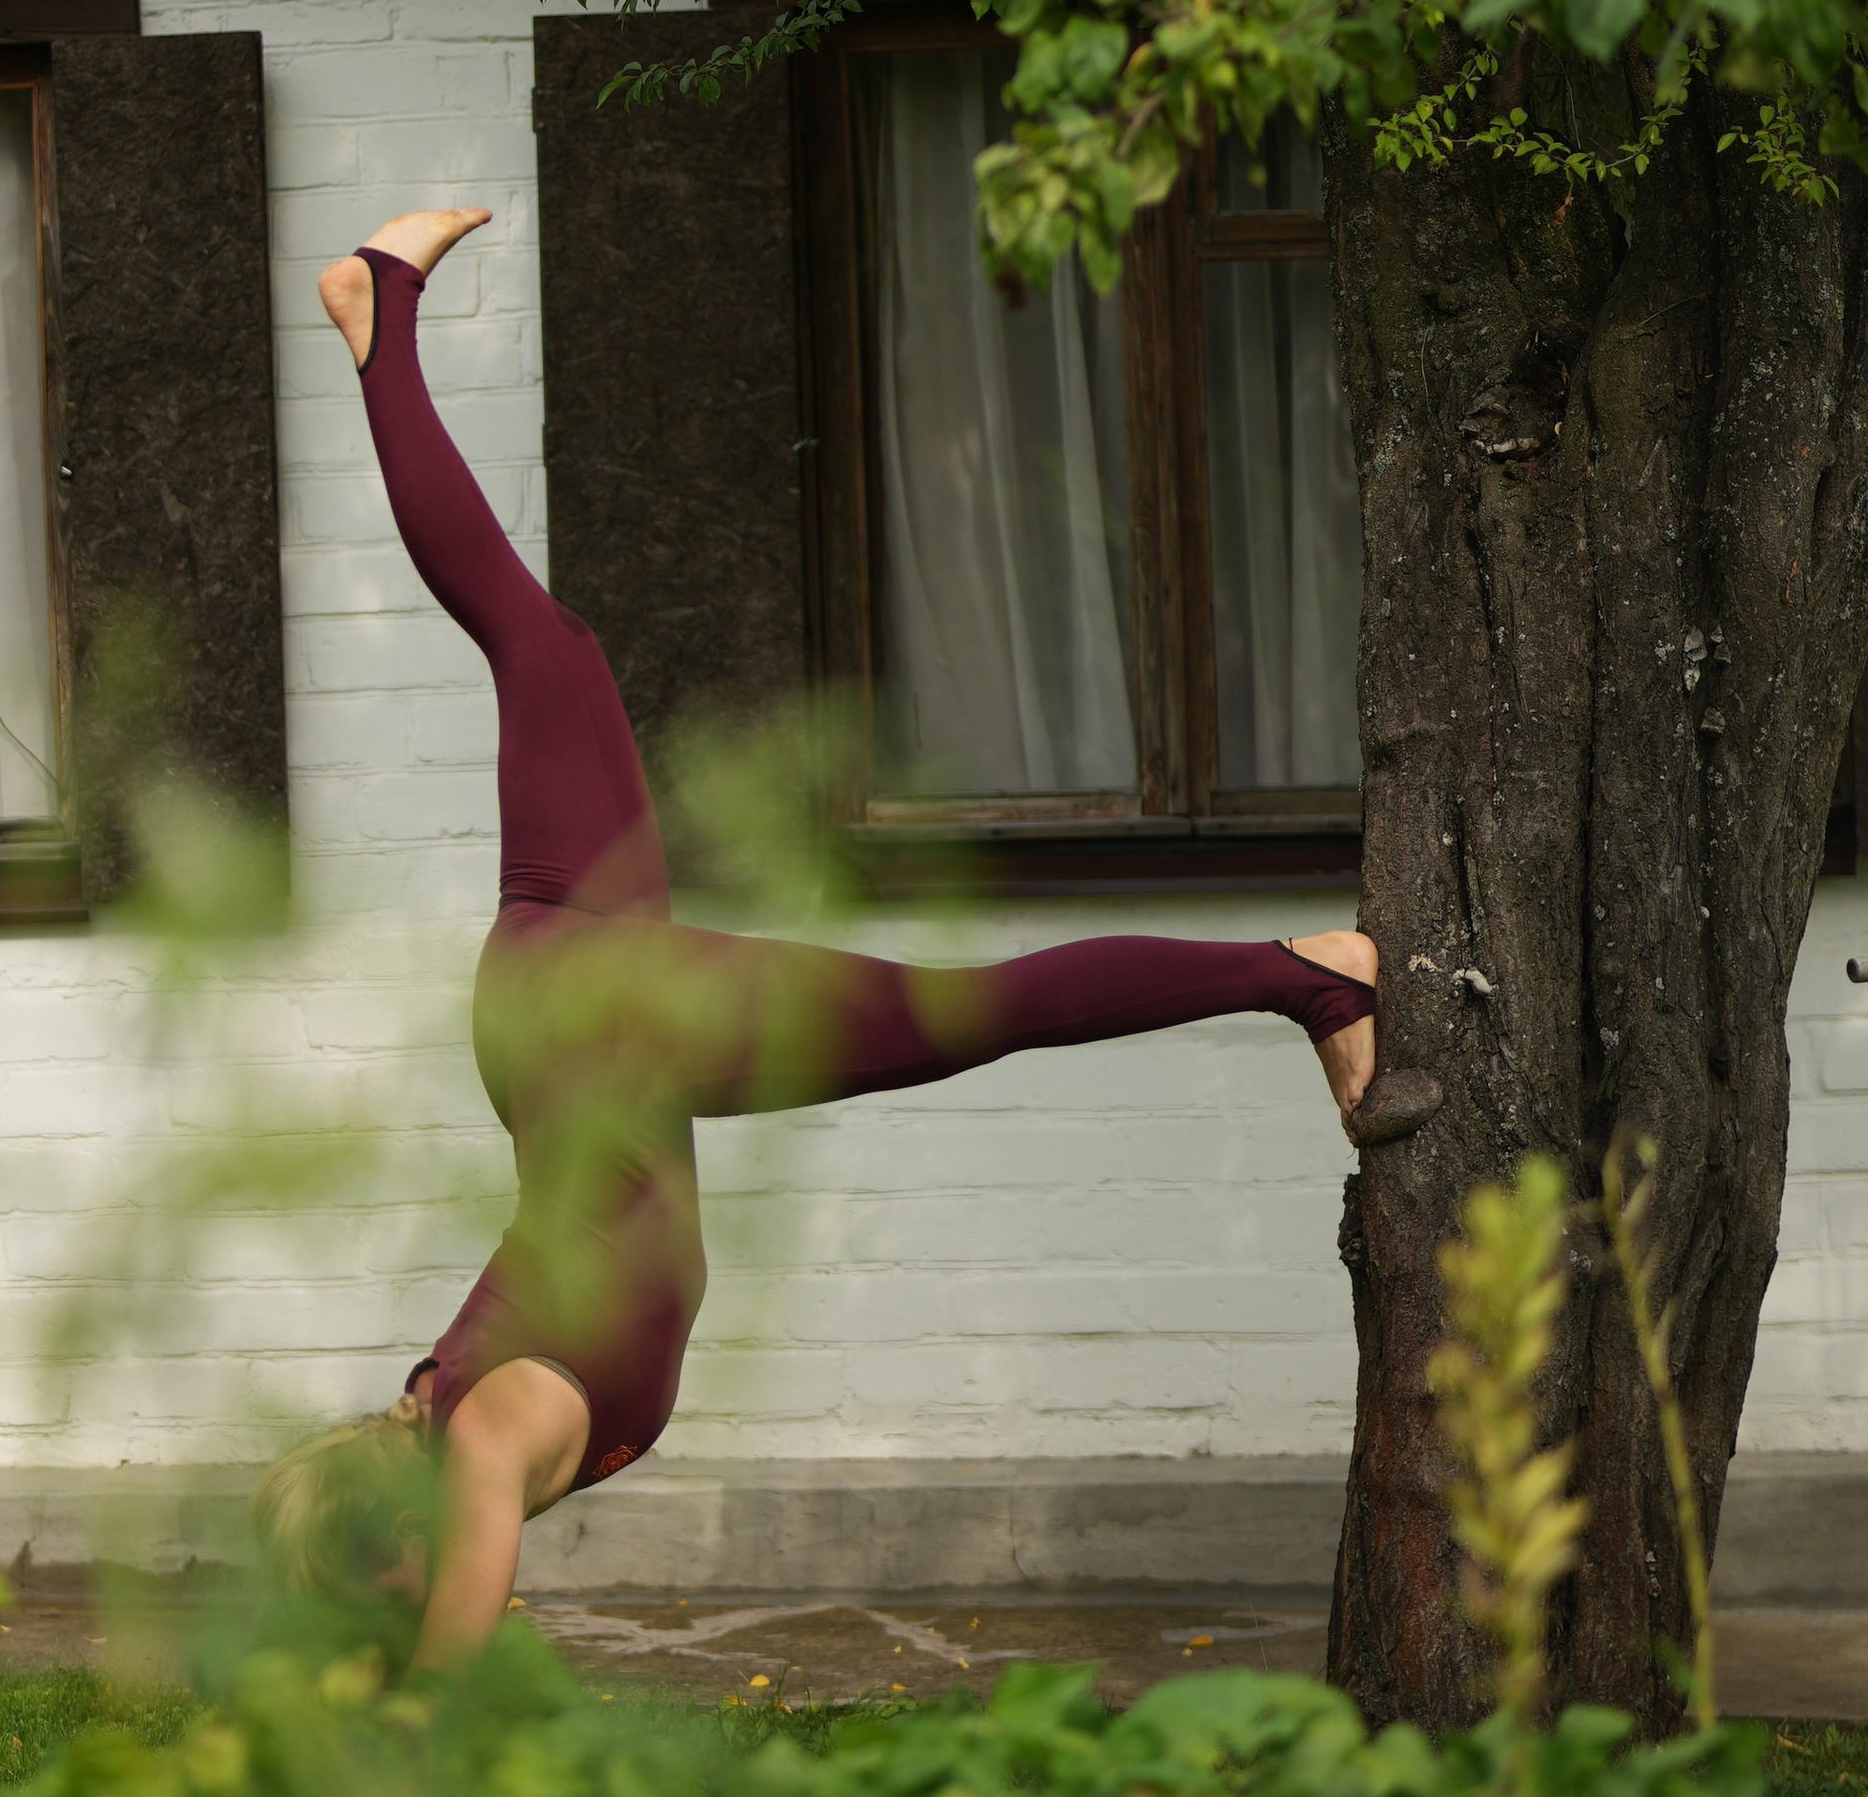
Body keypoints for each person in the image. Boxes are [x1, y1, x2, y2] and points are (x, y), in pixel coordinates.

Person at [252, 207, 1437, 1668]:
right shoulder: (442, 1407)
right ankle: (381, 319)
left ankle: (1306, 981)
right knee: (546, 651)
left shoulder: (487, 1430)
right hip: (561, 1016)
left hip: (608, 1027)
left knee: (966, 1011)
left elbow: (474, 1546)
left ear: (406, 1546)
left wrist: (413, 1715)